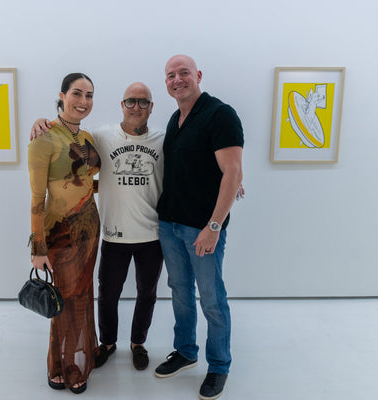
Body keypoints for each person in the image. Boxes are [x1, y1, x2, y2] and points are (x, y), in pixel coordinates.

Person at [31, 82, 165, 371]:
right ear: (122, 105)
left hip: (152, 234)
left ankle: (138, 343)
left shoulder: (163, 140)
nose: (136, 107)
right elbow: (68, 142)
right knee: (107, 294)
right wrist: (42, 122)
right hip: (113, 233)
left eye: (143, 102)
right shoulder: (100, 136)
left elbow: (188, 166)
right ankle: (107, 343)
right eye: (131, 101)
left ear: (151, 107)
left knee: (147, 293)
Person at [153, 55, 244, 400]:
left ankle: (219, 365)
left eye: (184, 73)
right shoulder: (176, 118)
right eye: (170, 76)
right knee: (179, 291)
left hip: (202, 228)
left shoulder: (220, 114)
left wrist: (214, 226)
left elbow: (233, 171)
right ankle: (186, 351)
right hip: (170, 224)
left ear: (198, 75)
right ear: (166, 83)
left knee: (211, 298)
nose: (177, 80)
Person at [27, 72, 101, 394]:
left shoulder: (88, 138)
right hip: (61, 232)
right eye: (76, 93)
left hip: (90, 228)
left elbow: (87, 182)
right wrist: (38, 248)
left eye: (89, 95)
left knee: (83, 295)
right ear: (62, 95)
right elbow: (37, 199)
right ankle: (61, 365)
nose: (83, 101)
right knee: (65, 300)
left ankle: (83, 355)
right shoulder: (43, 138)